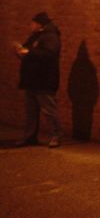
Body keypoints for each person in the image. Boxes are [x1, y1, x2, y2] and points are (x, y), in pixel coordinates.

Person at [15, 12, 64, 148]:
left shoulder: (51, 37)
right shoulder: (35, 36)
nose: (31, 25)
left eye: (33, 23)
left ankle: (56, 136)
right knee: (31, 111)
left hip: (44, 80)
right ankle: (30, 137)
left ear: (39, 24)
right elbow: (28, 50)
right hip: (32, 80)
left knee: (49, 110)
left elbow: (49, 54)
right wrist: (21, 51)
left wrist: (28, 52)